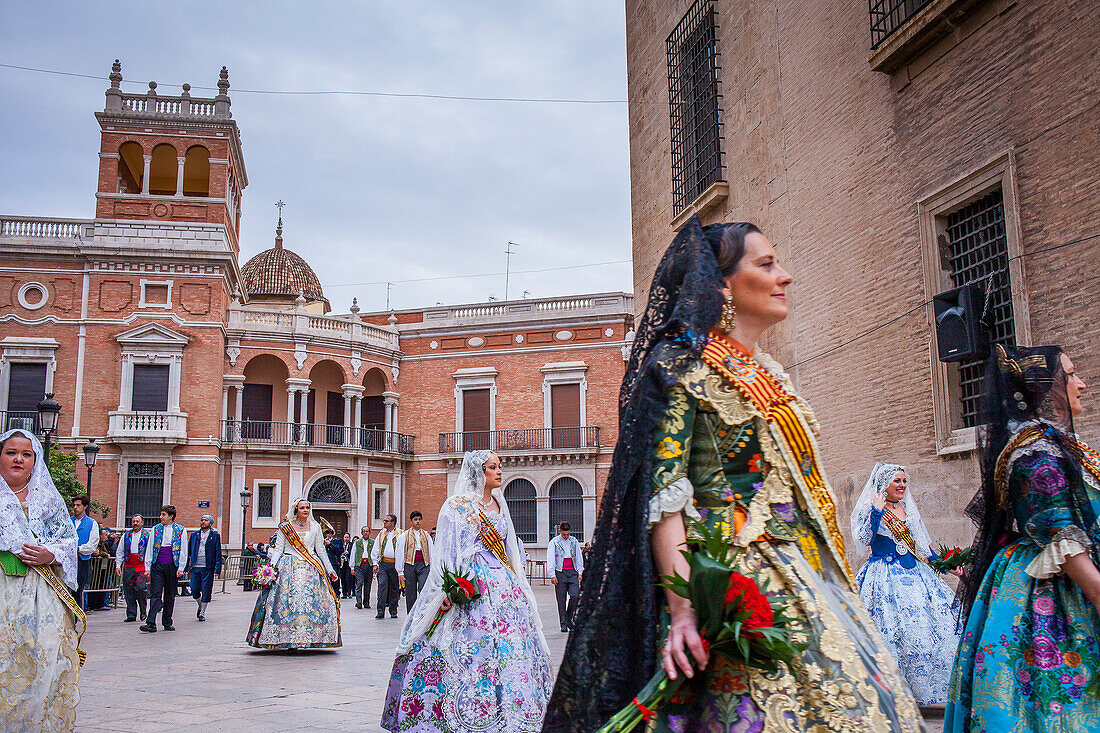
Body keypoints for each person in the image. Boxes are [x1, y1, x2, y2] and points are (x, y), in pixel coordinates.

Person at [543, 219, 923, 731]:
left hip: (804, 569)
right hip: (733, 574)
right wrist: (683, 610)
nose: (784, 276)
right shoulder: (680, 368)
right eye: (766, 265)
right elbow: (664, 497)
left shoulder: (765, 370)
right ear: (721, 284)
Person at [947, 345, 1100, 731]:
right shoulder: (1038, 453)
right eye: (1071, 375)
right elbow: (1065, 544)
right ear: (1047, 389)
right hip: (1059, 595)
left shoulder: (1058, 444)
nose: (1081, 384)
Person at [382, 451, 552, 732]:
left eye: (499, 467)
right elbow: (446, 553)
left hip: (504, 587)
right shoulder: (455, 507)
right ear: (478, 472)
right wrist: (448, 591)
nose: (499, 472)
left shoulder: (499, 504)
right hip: (472, 586)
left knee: (511, 649)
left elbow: (510, 550)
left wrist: (519, 586)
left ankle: (515, 711)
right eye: (493, 467)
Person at [851, 462, 962, 704]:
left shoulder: (907, 509)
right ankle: (893, 695)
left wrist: (949, 566)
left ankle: (927, 690)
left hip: (916, 575)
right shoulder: (872, 508)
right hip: (884, 577)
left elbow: (923, 547)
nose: (902, 485)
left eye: (904, 481)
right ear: (884, 484)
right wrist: (876, 513)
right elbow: (863, 539)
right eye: (897, 481)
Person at [0, 428, 83, 732]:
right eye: (11, 452)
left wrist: (50, 554)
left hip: (40, 593)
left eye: (26, 454)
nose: (18, 459)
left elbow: (68, 541)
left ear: (35, 461)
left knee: (44, 658)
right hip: (3, 591)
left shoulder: (48, 500)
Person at [247, 498, 341, 650]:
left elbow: (321, 550)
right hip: (288, 567)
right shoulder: (286, 527)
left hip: (311, 567)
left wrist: (330, 570)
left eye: (308, 508)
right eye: (302, 507)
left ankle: (311, 638)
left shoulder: (316, 527)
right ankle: (286, 638)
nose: (305, 510)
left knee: (313, 603)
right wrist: (270, 569)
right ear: (296, 510)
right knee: (285, 602)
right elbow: (278, 549)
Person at [140, 505, 187, 633]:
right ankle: (151, 622)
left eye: (163, 514)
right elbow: (150, 548)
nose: (161, 517)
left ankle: (167, 621)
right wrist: (148, 567)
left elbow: (183, 549)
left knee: (170, 594)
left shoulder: (181, 530)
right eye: (161, 514)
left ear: (171, 516)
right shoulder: (155, 529)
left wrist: (181, 567)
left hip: (172, 564)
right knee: (155, 593)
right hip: (157, 564)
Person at [547, 521, 583, 632]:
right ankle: (564, 623)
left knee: (575, 595)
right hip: (560, 572)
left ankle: (568, 618)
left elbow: (578, 556)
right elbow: (551, 558)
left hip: (572, 572)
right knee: (561, 599)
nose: (566, 536)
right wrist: (552, 574)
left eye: (568, 534)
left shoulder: (574, 541)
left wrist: (580, 571)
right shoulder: (554, 542)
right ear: (560, 531)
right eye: (564, 534)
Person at [186, 514, 222, 622]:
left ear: (210, 523)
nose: (203, 522)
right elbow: (189, 550)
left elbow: (218, 553)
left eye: (206, 520)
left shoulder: (215, 536)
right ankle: (200, 604)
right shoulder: (194, 535)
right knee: (194, 588)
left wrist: (217, 569)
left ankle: (202, 612)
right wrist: (185, 566)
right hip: (195, 566)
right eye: (202, 520)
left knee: (206, 589)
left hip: (208, 567)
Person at [395, 509, 434, 611]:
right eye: (415, 519)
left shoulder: (426, 535)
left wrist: (432, 567)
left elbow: (431, 551)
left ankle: (422, 612)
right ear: (411, 521)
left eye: (419, 519)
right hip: (410, 565)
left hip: (424, 565)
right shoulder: (404, 535)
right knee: (410, 592)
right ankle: (411, 615)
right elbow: (399, 553)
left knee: (423, 588)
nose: (418, 521)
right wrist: (400, 571)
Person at [114, 514, 149, 622]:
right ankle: (131, 614)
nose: (135, 524)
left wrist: (149, 567)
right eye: (133, 521)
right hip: (129, 565)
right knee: (128, 590)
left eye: (137, 521)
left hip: (141, 566)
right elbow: (120, 551)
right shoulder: (126, 535)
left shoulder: (147, 535)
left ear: (142, 523)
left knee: (140, 588)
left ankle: (143, 611)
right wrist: (118, 565)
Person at [70, 494, 99, 610]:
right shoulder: (68, 521)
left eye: (78, 505)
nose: (75, 508)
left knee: (78, 589)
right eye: (74, 505)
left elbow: (92, 545)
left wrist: (78, 549)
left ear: (85, 506)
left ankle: (76, 617)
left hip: (82, 560)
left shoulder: (92, 523)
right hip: (68, 560)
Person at [371, 513, 402, 619]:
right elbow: (376, 548)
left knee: (394, 588)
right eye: (384, 521)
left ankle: (393, 610)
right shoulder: (381, 533)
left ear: (393, 523)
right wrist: (375, 563)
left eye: (386, 521)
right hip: (383, 564)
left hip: (395, 564)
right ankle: (380, 611)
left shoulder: (400, 534)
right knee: (382, 587)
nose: (384, 522)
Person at [351, 526, 374, 609]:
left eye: (367, 531)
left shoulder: (372, 542)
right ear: (361, 533)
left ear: (369, 532)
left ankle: (366, 602)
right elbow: (353, 554)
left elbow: (375, 554)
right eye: (364, 531)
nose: (365, 533)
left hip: (369, 565)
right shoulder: (357, 542)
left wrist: (375, 564)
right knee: (359, 583)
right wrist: (352, 567)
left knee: (368, 585)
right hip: (359, 565)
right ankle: (359, 602)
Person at [339, 531, 355, 598]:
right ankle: (344, 593)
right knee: (343, 578)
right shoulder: (341, 544)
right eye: (345, 537)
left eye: (347, 537)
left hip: (348, 562)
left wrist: (348, 552)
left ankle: (349, 592)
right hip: (343, 563)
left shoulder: (352, 545)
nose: (346, 539)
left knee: (348, 578)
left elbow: (353, 552)